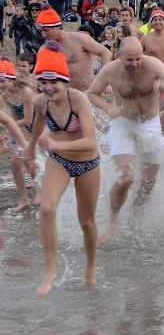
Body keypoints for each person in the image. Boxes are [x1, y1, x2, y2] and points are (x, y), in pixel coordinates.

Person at [87, 37, 164, 244]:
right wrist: (108, 108)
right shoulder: (110, 70)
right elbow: (93, 94)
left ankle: (135, 214)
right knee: (126, 177)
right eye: (129, 60)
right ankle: (112, 220)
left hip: (150, 123)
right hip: (122, 122)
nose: (134, 64)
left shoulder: (153, 65)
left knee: (150, 180)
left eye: (138, 59)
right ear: (119, 56)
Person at [25, 42, 101, 298]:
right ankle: (50, 271)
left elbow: (91, 140)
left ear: (64, 80)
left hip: (87, 162)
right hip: (59, 159)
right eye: (43, 82)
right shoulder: (41, 101)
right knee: (46, 209)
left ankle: (90, 268)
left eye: (53, 82)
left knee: (87, 222)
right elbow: (38, 124)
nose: (48, 87)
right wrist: (30, 151)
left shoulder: (78, 99)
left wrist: (54, 141)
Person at [35, 5, 110, 90]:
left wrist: (100, 77)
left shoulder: (78, 38)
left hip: (87, 93)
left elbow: (106, 52)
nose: (43, 35)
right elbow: (35, 76)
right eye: (41, 31)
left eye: (46, 30)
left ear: (57, 27)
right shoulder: (44, 49)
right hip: (63, 97)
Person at [1, 56, 38, 213]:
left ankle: (43, 191)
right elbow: (15, 118)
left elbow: (28, 119)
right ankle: (24, 199)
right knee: (16, 162)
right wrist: (9, 135)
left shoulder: (27, 91)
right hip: (25, 126)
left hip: (41, 126)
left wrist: (6, 129)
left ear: (11, 78)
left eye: (2, 81)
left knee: (29, 161)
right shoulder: (5, 95)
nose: (0, 85)